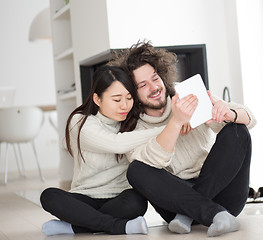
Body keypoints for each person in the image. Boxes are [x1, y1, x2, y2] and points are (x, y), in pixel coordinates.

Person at [113, 41, 257, 237]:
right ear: (133, 94)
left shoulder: (187, 93)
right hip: (175, 203)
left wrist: (229, 113)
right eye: (143, 85)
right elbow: (152, 164)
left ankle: (191, 215)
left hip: (221, 197)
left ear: (162, 76)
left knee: (237, 131)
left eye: (155, 79)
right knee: (137, 170)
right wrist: (176, 123)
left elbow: (250, 119)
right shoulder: (131, 127)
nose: (154, 88)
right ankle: (210, 213)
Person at [40, 65, 170, 235]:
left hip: (120, 197)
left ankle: (75, 227)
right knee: (49, 196)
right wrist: (170, 128)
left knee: (137, 202)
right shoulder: (80, 123)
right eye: (116, 100)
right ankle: (117, 226)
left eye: (129, 98)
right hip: (84, 197)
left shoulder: (135, 123)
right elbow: (117, 143)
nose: (124, 106)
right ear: (97, 99)